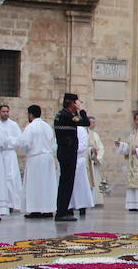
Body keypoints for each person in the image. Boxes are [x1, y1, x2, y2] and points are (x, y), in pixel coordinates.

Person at [53, 93, 88, 222]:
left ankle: (62, 210)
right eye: (77, 102)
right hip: (68, 153)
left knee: (65, 182)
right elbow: (86, 122)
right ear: (72, 103)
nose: (78, 104)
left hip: (64, 152)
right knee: (67, 183)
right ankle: (62, 212)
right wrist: (82, 110)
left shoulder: (61, 115)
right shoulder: (67, 116)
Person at [18, 106, 58, 218]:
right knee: (47, 185)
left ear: (30, 115)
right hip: (47, 158)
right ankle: (48, 209)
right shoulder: (47, 127)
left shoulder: (30, 127)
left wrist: (26, 152)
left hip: (35, 158)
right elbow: (53, 142)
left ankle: (35, 209)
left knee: (35, 184)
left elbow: (25, 143)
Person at [0, 104, 24, 213]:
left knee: (11, 178)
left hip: (10, 154)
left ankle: (12, 202)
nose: (5, 113)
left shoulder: (13, 125)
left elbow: (19, 140)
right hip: (0, 154)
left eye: (7, 111)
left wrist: (8, 141)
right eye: (3, 111)